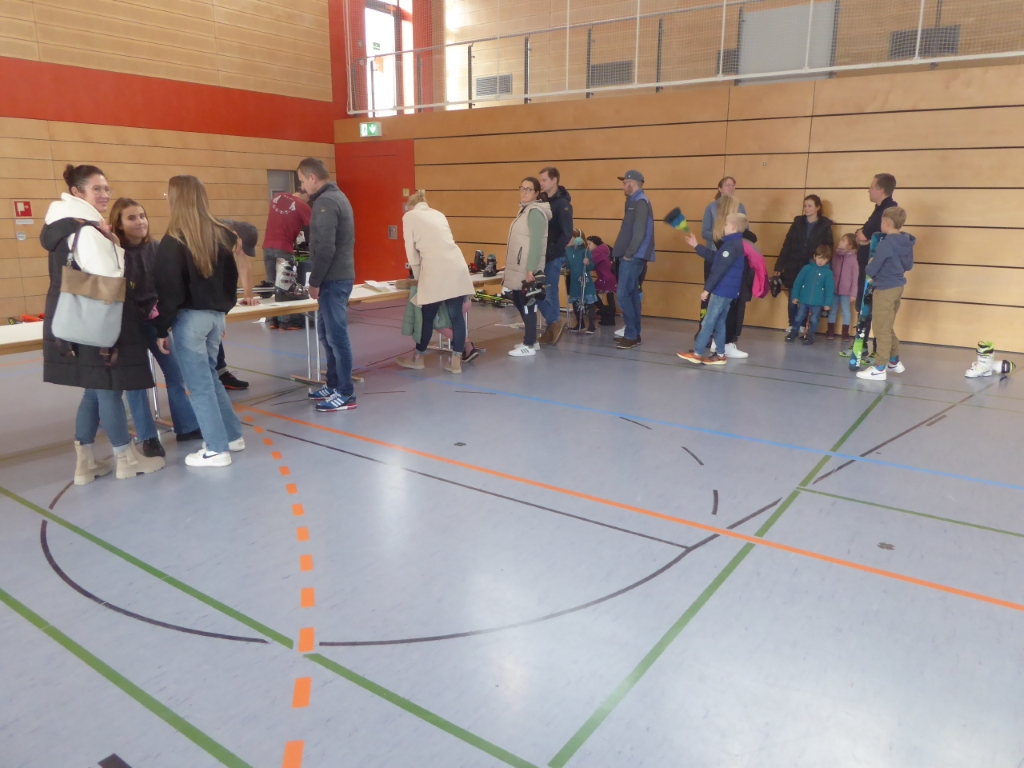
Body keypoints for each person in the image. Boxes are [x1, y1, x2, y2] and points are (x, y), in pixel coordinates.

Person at [42, 164, 165, 483]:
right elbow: (110, 274)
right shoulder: (86, 230)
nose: (105, 194)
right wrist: (114, 245)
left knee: (93, 391)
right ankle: (125, 458)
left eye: (107, 188)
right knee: (109, 388)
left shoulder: (60, 225)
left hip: (73, 319)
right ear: (77, 192)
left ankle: (85, 463)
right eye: (96, 188)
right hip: (97, 321)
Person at [153, 175, 246, 467]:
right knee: (210, 377)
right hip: (215, 317)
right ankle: (231, 435)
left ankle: (216, 449)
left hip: (191, 320)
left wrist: (161, 327)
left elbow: (169, 290)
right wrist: (220, 313)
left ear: (175, 199)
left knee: (199, 384)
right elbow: (231, 282)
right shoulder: (223, 235)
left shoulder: (173, 240)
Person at [109, 198, 202, 456]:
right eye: (131, 217)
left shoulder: (157, 248)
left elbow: (168, 283)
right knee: (136, 382)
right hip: (128, 325)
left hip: (156, 321)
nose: (140, 221)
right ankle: (148, 436)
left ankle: (186, 426)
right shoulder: (113, 252)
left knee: (175, 373)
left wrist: (164, 312)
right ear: (119, 223)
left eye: (142, 216)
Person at [298, 157, 358, 412]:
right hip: (334, 278)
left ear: (313, 178)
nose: (302, 187)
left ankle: (346, 393)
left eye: (302, 181)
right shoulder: (335, 197)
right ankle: (333, 384)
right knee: (326, 335)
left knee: (337, 337)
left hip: (333, 280)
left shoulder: (326, 202)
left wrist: (314, 281)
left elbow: (325, 248)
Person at [396, 190, 474, 373]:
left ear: (410, 206)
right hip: (457, 265)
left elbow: (411, 251)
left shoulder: (409, 216)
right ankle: (456, 362)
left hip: (435, 270)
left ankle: (417, 358)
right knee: (456, 316)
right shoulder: (439, 214)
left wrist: (417, 278)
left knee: (427, 317)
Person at [678, 213, 747, 365]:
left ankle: (697, 353)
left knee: (708, 321)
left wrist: (707, 289)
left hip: (722, 291)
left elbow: (718, 270)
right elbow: (716, 258)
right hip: (728, 291)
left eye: (726, 224)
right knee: (719, 322)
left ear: (733, 227)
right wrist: (696, 246)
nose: (724, 227)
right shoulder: (733, 244)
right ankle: (720, 354)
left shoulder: (731, 246)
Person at [857, 207, 914, 381]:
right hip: (897, 287)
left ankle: (880, 367)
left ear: (887, 223)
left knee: (881, 328)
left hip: (884, 289)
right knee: (886, 325)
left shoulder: (886, 244)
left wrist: (871, 262)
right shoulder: (906, 242)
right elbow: (909, 266)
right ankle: (894, 361)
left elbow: (871, 269)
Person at [701, 180, 752, 358]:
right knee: (713, 303)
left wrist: (730, 240)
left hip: (732, 260)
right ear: (720, 188)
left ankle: (724, 342)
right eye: (727, 184)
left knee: (728, 305)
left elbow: (747, 232)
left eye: (733, 185)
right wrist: (719, 237)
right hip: (717, 256)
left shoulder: (740, 208)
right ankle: (710, 340)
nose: (731, 187)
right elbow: (705, 233)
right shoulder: (711, 208)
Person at [503, 177, 551, 357]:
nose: (524, 192)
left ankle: (529, 344)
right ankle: (532, 340)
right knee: (518, 300)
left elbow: (536, 244)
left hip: (528, 268)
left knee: (528, 304)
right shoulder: (524, 210)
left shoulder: (535, 212)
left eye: (529, 189)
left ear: (537, 193)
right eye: (522, 188)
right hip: (520, 266)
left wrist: (531, 269)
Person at [774, 194, 834, 334]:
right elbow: (787, 244)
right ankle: (793, 324)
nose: (806, 208)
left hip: (813, 266)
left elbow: (828, 247)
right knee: (793, 295)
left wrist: (824, 265)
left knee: (809, 296)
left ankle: (803, 325)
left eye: (810, 206)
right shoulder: (798, 222)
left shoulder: (825, 225)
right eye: (805, 206)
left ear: (817, 207)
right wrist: (779, 265)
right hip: (793, 264)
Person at [613, 170, 654, 349]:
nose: (623, 186)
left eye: (625, 183)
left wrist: (629, 254)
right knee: (631, 295)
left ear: (633, 183)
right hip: (632, 255)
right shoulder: (633, 201)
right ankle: (634, 334)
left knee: (623, 296)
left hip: (634, 256)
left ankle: (631, 334)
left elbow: (639, 232)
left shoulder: (640, 202)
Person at [262, 190, 311, 330]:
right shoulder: (303, 206)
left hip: (267, 247)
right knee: (285, 287)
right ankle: (287, 322)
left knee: (272, 285)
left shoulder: (276, 197)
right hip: (284, 247)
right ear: (307, 195)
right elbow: (314, 225)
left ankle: (273, 320)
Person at [537, 167, 573, 345]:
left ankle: (554, 323)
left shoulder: (562, 204)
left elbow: (567, 233)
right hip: (542, 254)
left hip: (554, 256)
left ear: (554, 180)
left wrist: (554, 250)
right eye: (540, 180)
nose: (541, 183)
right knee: (538, 291)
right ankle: (553, 324)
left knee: (549, 292)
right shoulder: (543, 201)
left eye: (544, 180)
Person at [855, 173, 898, 309]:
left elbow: (864, 236)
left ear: (881, 191)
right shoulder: (879, 209)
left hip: (875, 271)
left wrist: (862, 235)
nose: (868, 190)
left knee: (867, 308)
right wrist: (861, 235)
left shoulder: (887, 211)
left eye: (872, 187)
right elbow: (862, 235)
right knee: (863, 306)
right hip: (867, 266)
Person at [786, 245, 835, 345]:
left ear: (828, 259)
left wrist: (827, 303)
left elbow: (829, 289)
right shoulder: (806, 268)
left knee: (814, 319)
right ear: (814, 256)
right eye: (819, 258)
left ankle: (810, 335)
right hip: (804, 299)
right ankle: (794, 332)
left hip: (817, 301)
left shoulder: (828, 273)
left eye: (824, 259)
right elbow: (798, 283)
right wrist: (795, 296)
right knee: (799, 316)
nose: (820, 261)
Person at [827, 233, 859, 340]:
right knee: (832, 310)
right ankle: (830, 331)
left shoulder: (854, 259)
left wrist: (853, 293)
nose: (840, 242)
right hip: (834, 290)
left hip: (846, 292)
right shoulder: (835, 257)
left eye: (843, 240)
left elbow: (855, 278)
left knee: (846, 311)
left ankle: (845, 332)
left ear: (850, 246)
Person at [565, 229, 597, 333]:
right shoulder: (567, 251)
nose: (568, 239)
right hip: (574, 281)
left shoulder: (585, 251)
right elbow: (568, 265)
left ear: (577, 239)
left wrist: (588, 263)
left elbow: (592, 266)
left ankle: (592, 325)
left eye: (570, 237)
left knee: (590, 303)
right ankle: (580, 324)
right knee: (575, 302)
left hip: (585, 281)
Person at [585, 235, 617, 325]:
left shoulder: (598, 252)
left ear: (596, 244)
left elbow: (590, 263)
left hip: (604, 278)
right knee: (610, 297)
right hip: (610, 277)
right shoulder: (604, 250)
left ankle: (604, 310)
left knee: (590, 291)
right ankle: (610, 318)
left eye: (589, 244)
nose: (588, 246)